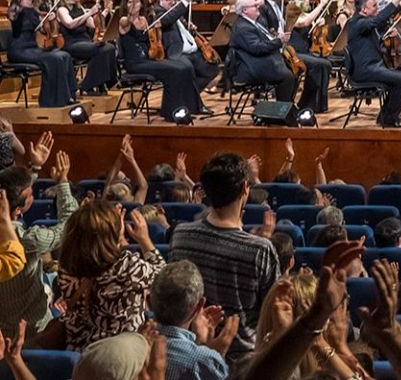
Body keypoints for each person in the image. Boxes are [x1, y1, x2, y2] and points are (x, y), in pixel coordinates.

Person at [168, 152, 280, 356]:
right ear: (246, 188)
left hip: (192, 352)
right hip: (243, 361)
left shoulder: (181, 235)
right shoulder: (260, 249)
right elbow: (274, 314)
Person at [53, 197, 165, 349]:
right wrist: (144, 239)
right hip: (118, 356)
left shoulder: (66, 265)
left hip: (80, 352)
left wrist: (101, 224)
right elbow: (163, 276)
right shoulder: (127, 266)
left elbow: (99, 256)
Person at [0, 139, 73, 333]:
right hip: (35, 331)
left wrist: (35, 167)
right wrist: (63, 182)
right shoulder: (31, 240)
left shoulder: (11, 207)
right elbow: (70, 223)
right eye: (31, 194)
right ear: (18, 210)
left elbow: (11, 194)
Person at [150, 260, 235, 380]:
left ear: (149, 300)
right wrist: (216, 354)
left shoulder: (131, 348)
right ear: (200, 304)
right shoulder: (204, 361)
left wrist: (201, 345)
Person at [345, 0, 401, 128]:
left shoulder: (365, 22)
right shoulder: (357, 23)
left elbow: (377, 27)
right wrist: (396, 0)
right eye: (374, 6)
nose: (377, 9)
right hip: (366, 70)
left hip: (375, 66)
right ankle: (390, 119)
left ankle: (385, 117)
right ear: (364, 10)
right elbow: (378, 20)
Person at [4, 0, 78, 106]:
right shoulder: (16, 8)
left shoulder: (35, 10)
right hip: (19, 50)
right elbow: (13, 17)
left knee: (65, 55)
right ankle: (51, 101)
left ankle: (69, 96)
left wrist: (51, 19)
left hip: (33, 48)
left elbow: (45, 32)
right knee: (55, 58)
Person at [228, 0, 298, 103]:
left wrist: (277, 38)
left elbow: (265, 40)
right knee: (287, 76)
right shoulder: (243, 27)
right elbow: (257, 48)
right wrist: (279, 41)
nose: (258, 7)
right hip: (251, 66)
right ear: (245, 10)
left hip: (262, 60)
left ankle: (288, 107)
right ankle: (282, 110)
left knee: (295, 69)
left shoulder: (255, 22)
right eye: (254, 6)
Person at [55, 0, 117, 95]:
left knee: (110, 47)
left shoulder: (80, 8)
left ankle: (100, 82)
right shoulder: (61, 10)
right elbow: (70, 24)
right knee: (103, 49)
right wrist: (89, 13)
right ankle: (88, 85)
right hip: (71, 44)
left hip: (85, 42)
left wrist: (105, 10)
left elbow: (94, 24)